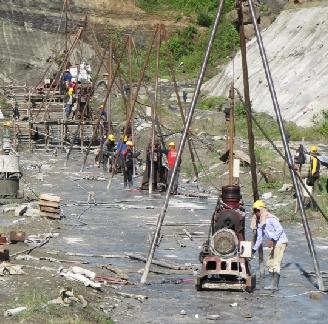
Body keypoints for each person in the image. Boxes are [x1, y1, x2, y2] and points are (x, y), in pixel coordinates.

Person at [251, 200, 288, 291]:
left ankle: (275, 285)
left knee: (275, 263)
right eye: (255, 211)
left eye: (257, 211)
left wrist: (272, 239)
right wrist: (253, 250)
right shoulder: (260, 223)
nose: (256, 213)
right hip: (274, 243)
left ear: (261, 210)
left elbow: (280, 229)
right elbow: (259, 238)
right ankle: (272, 285)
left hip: (280, 242)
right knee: (270, 263)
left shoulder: (270, 219)